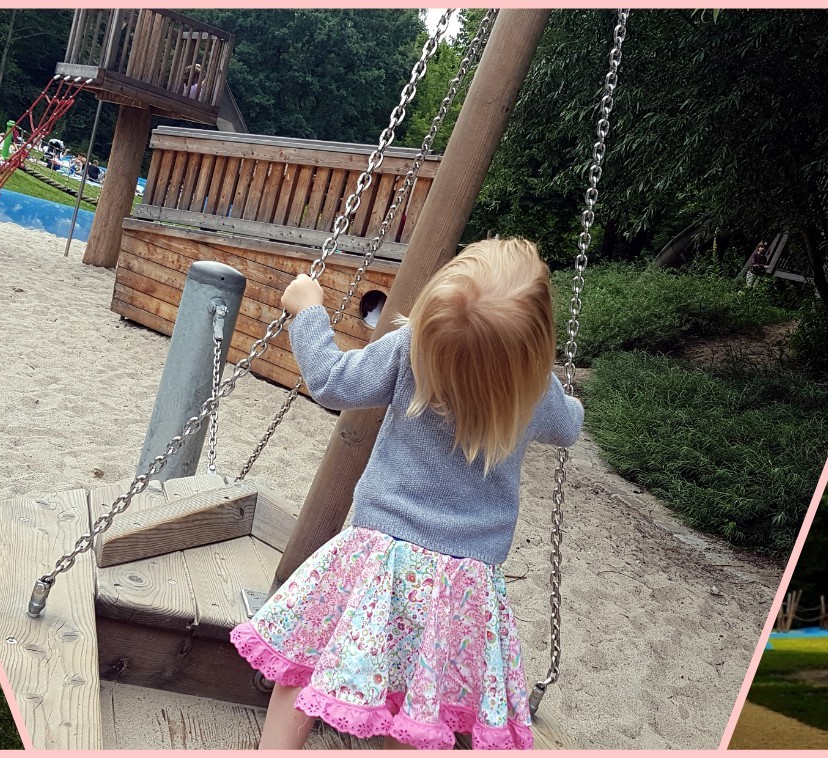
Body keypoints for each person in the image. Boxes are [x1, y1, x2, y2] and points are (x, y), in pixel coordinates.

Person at [232, 238, 583, 751]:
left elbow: (330, 382)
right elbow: (570, 426)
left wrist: (308, 311)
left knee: (309, 655)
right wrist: (560, 391)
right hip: (465, 584)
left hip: (378, 556)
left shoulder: (410, 349)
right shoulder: (535, 392)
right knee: (425, 703)